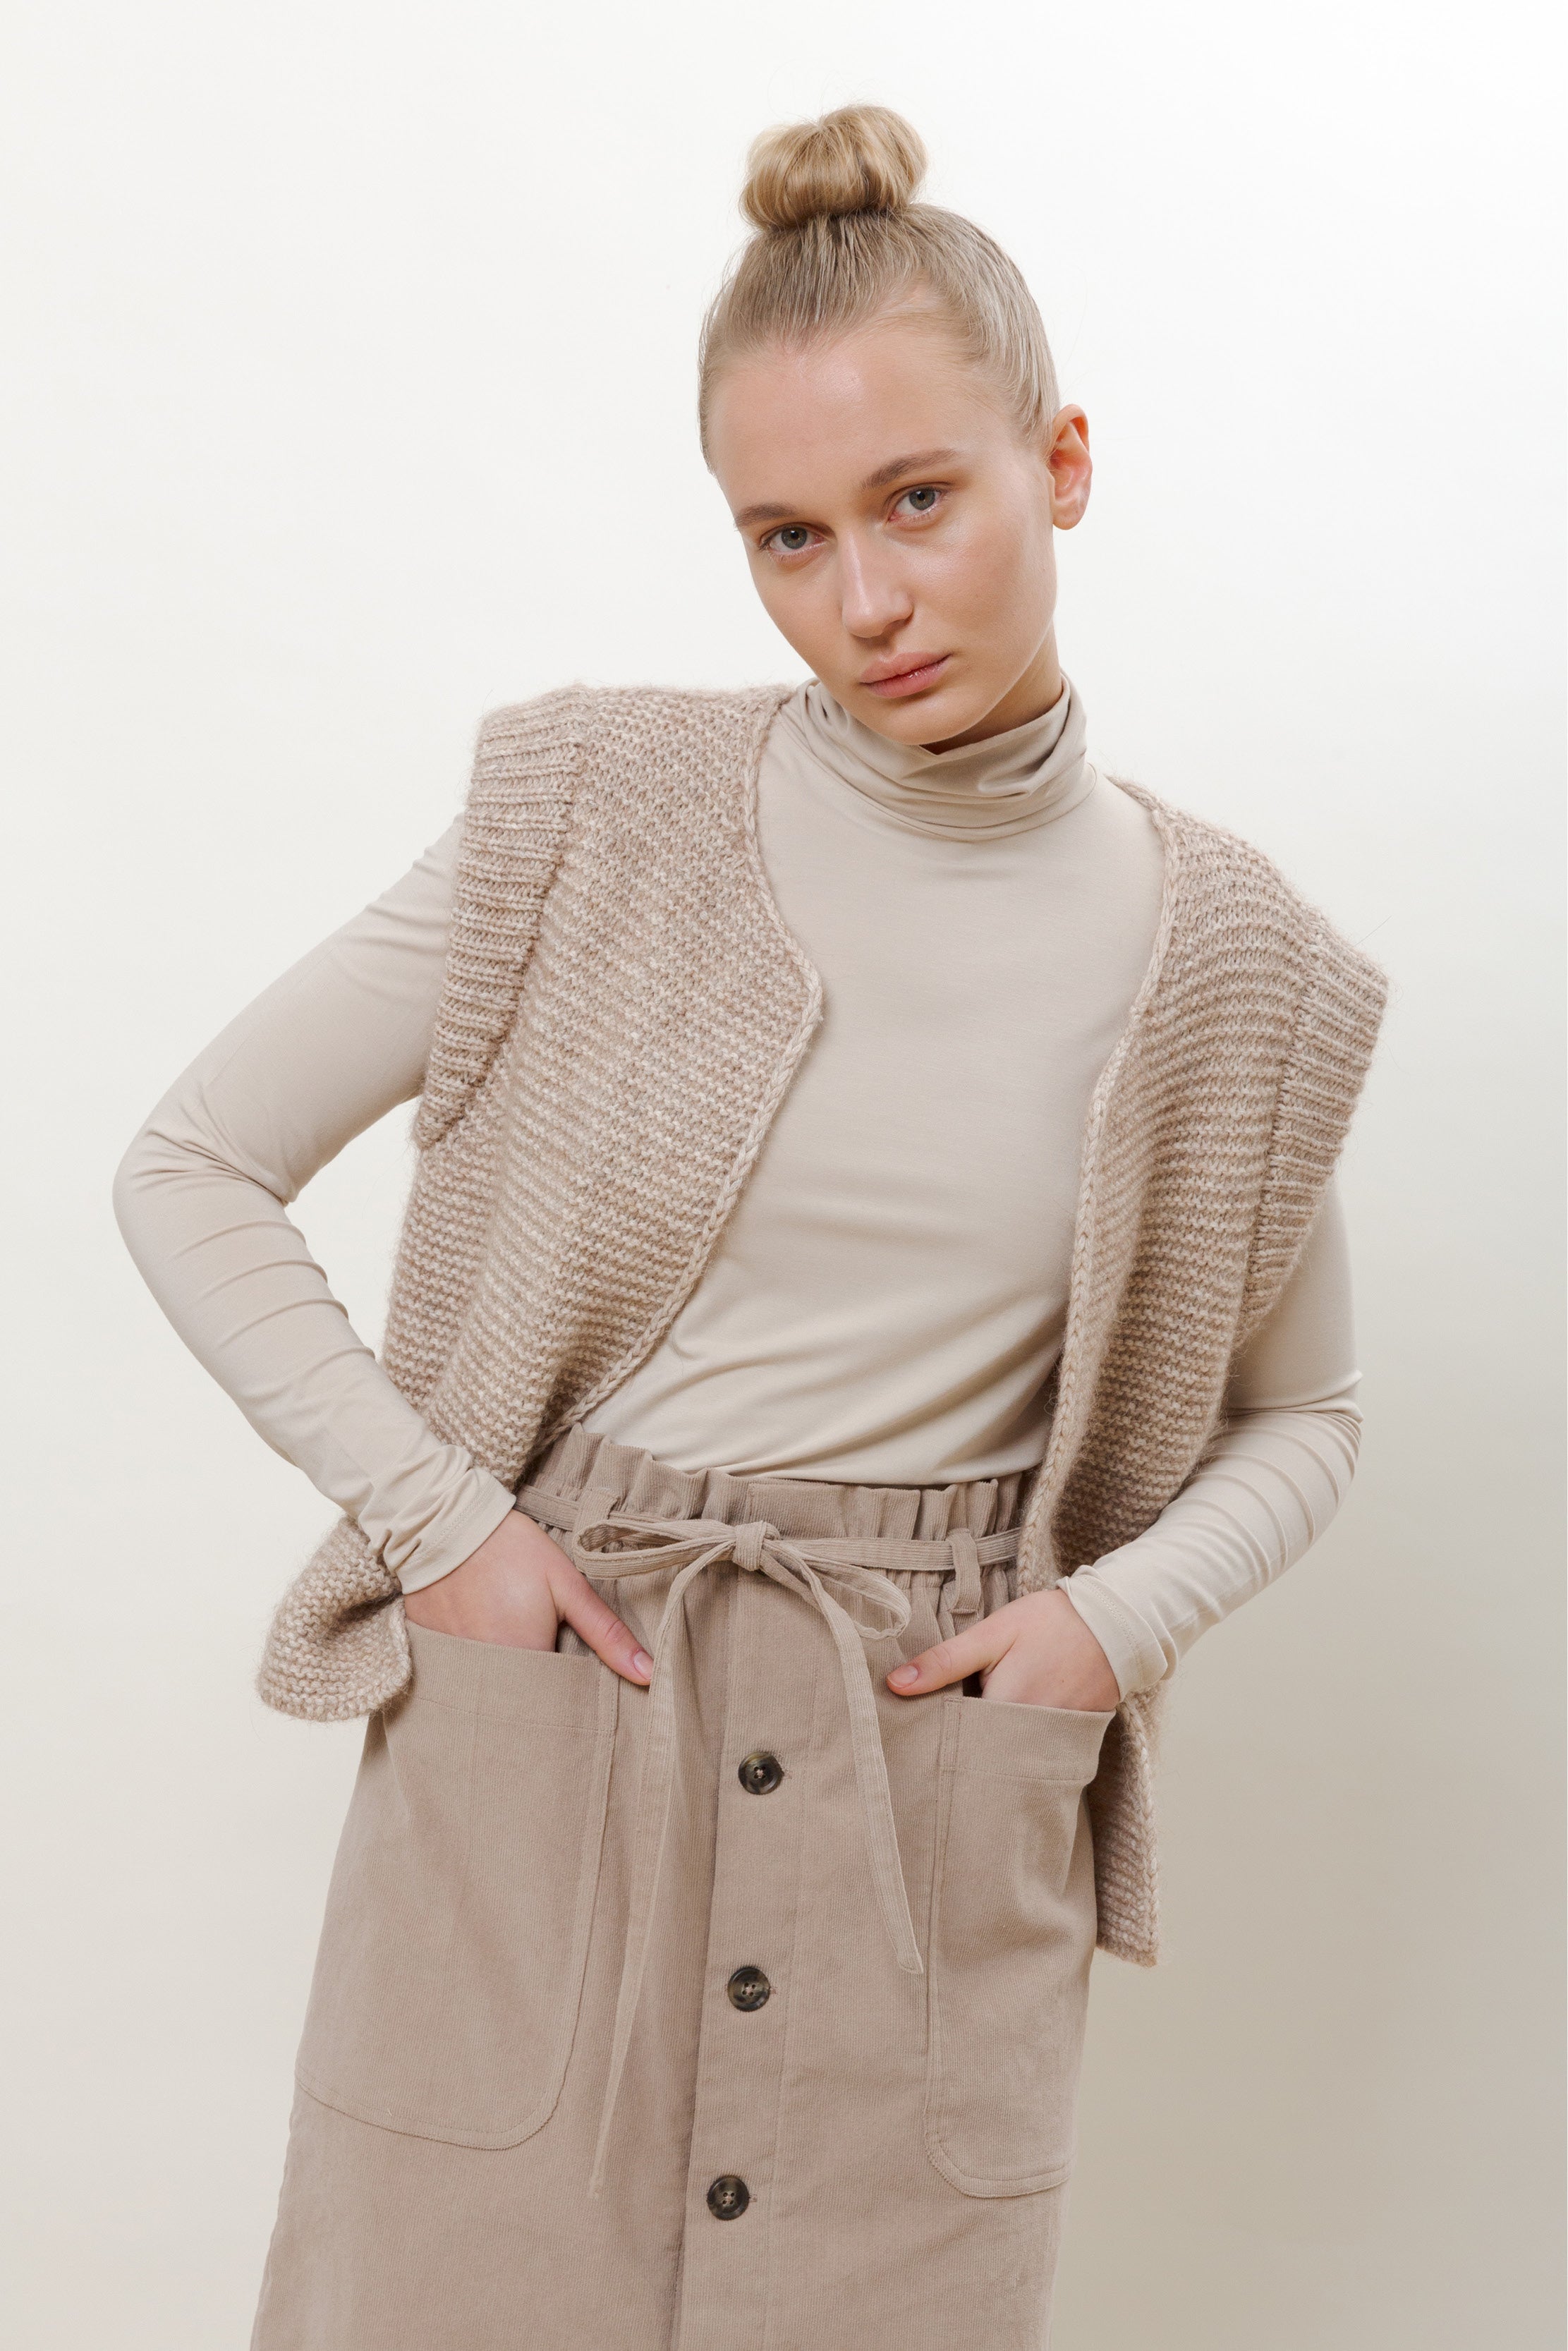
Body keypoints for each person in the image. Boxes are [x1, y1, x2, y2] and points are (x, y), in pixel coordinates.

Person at [114, 103, 1386, 2351]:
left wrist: (1103, 1628)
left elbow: (1310, 1417)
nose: (865, 603)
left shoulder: (1238, 965)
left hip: (930, 1768)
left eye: (921, 501)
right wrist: (439, 1526)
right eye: (785, 538)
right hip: (555, 1719)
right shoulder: (588, 807)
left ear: (1061, 463)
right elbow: (192, 1163)